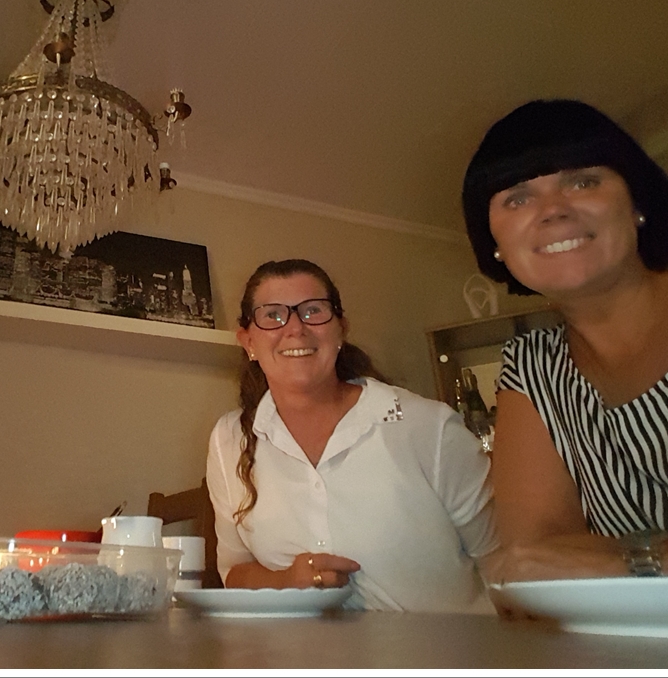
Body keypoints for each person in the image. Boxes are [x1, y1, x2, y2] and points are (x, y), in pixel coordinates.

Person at [461, 99, 668, 584]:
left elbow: (560, 564)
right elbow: (536, 559)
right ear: (495, 245)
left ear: (637, 204)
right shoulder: (531, 366)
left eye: (583, 181)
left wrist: (637, 561)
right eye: (517, 198)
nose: (553, 211)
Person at [205, 259, 498, 613]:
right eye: (272, 315)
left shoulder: (429, 428)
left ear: (341, 330)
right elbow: (235, 570)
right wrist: (287, 582)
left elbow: (503, 558)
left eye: (313, 311)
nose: (295, 328)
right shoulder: (229, 439)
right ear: (248, 341)